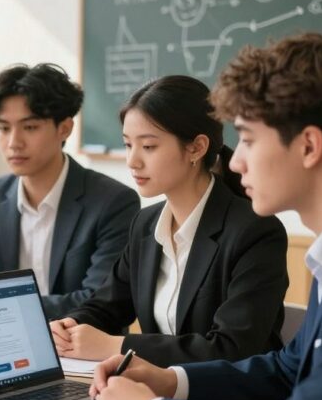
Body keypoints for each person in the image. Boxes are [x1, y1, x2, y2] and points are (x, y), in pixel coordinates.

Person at [90, 33, 322, 400]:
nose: (236, 164)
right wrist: (169, 381)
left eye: (249, 139)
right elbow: (288, 369)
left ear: (309, 146)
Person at [51, 76, 288, 367]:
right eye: (128, 145)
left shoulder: (255, 231)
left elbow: (231, 348)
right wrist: (69, 326)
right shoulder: (146, 224)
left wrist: (118, 345)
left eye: (148, 147)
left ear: (196, 148)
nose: (132, 161)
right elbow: (107, 306)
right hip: (155, 392)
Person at [0, 63, 139, 319]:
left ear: (65, 128)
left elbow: (98, 300)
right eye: (4, 128)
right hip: (4, 344)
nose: (14, 143)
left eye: (30, 127)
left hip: (80, 347)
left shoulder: (112, 202)